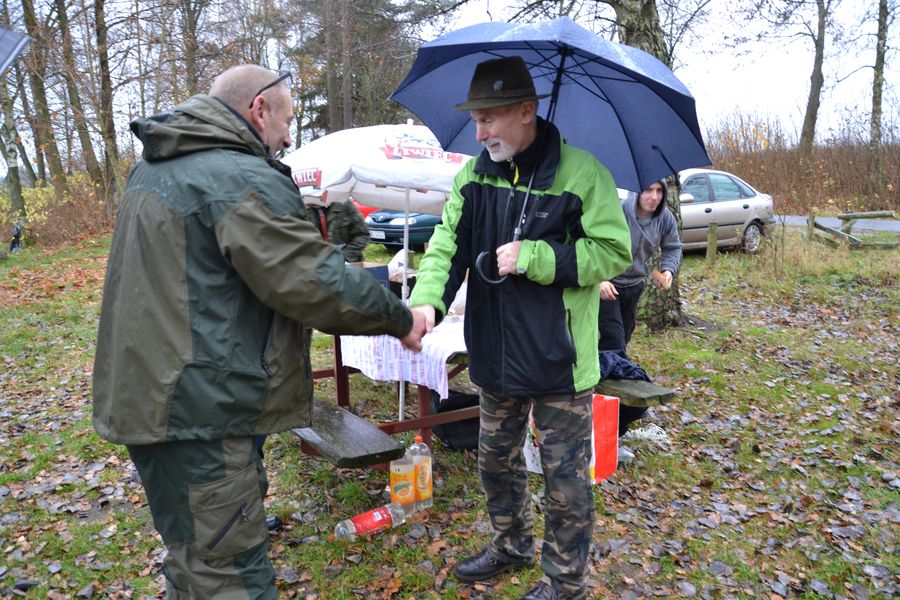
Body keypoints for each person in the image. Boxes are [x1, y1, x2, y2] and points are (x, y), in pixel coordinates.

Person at [92, 64, 426, 599]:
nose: (289, 138)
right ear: (259, 109)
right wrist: (401, 318)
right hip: (199, 410)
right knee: (232, 577)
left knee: (194, 558)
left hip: (154, 396)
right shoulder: (233, 176)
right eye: (287, 121)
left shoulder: (158, 167)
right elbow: (311, 281)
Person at [409, 56, 632, 600]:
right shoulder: (473, 176)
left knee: (564, 481)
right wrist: (425, 304)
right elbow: (446, 247)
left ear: (526, 111)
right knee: (495, 461)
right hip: (495, 353)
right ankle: (511, 545)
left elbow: (613, 252)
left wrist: (536, 255)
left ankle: (566, 582)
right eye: (475, 119)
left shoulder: (584, 174)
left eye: (489, 118)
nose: (479, 132)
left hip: (559, 358)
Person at [597, 180, 682, 453]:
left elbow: (673, 247)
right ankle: (616, 428)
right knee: (615, 347)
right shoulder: (617, 211)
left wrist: (667, 269)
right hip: (607, 288)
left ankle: (604, 414)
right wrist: (598, 279)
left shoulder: (665, 218)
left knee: (617, 347)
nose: (653, 196)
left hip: (633, 287)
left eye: (659, 191)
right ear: (637, 191)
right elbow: (593, 243)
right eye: (648, 190)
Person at [304, 196, 370, 262]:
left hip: (347, 262)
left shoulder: (343, 203)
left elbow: (363, 234)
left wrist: (344, 256)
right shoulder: (303, 209)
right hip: (316, 263)